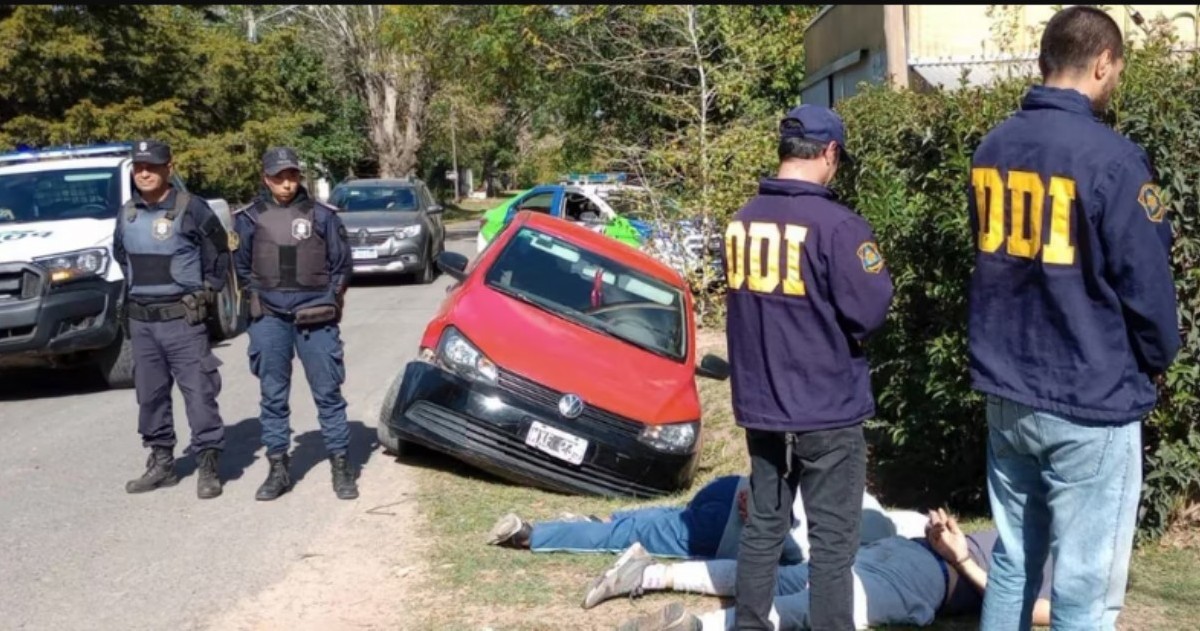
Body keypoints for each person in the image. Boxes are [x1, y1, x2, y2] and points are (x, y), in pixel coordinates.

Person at [966, 7, 1181, 630]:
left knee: (1013, 561)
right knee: (1085, 584)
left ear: (1043, 62)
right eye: (1115, 73)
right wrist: (1159, 358)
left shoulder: (992, 147)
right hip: (1090, 393)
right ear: (1103, 64)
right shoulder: (1114, 160)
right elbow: (1147, 284)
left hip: (1006, 389)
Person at [721, 105, 895, 629]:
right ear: (829, 153)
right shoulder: (840, 227)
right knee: (832, 548)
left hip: (764, 410)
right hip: (828, 413)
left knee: (764, 529)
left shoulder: (741, 222)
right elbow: (871, 308)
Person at [602, 510, 1054, 631]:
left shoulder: (1071, 567)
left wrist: (960, 559)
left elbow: (1030, 611)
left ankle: (694, 623)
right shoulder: (1032, 524)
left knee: (812, 605)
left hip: (926, 580)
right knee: (775, 578)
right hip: (905, 550)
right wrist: (946, 534)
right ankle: (650, 574)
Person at [233, 147, 357, 501]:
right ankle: (278, 467)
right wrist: (258, 298)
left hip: (316, 319)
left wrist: (330, 300)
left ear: (299, 177)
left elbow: (341, 265)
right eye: (278, 177)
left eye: (292, 176)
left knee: (328, 394)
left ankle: (341, 464)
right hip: (270, 320)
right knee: (273, 396)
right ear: (265, 178)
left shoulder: (323, 215)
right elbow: (242, 267)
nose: (286, 184)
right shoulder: (248, 218)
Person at [113, 139, 231, 500]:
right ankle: (162, 462)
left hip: (182, 320)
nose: (144, 173)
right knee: (150, 396)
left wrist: (205, 294)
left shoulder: (192, 208)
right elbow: (122, 254)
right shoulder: (127, 211)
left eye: (152, 166)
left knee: (199, 394)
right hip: (143, 323)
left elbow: (218, 254)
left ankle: (208, 463)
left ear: (169, 168)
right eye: (139, 167)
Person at [487, 475, 927, 570]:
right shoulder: (868, 544)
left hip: (736, 486)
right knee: (631, 533)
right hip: (732, 525)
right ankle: (533, 534)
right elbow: (792, 554)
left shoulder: (861, 496)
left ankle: (589, 521)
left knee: (657, 517)